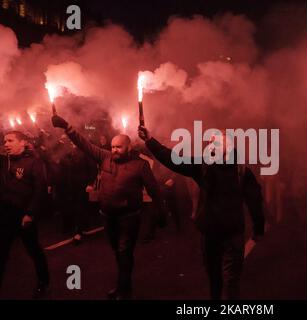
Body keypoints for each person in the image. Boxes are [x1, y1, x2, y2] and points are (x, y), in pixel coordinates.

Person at [138, 125, 265, 300]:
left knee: (229, 280)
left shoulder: (240, 171)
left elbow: (255, 201)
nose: (211, 146)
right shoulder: (205, 166)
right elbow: (174, 159)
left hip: (229, 234)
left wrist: (258, 228)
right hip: (213, 233)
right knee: (218, 278)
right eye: (211, 142)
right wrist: (150, 141)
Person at [52, 115, 165, 300]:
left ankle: (123, 289)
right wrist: (66, 126)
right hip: (107, 215)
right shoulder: (105, 157)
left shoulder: (140, 165)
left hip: (129, 217)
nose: (114, 150)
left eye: (118, 147)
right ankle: (123, 284)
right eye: (112, 147)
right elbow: (84, 144)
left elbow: (154, 190)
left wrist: (161, 212)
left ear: (128, 147)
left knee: (124, 251)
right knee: (118, 252)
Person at [0, 131, 50, 299]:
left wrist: (30, 214)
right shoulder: (4, 161)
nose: (6, 144)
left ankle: (43, 281)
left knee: (33, 249)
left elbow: (40, 190)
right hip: (6, 214)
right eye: (4, 141)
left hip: (23, 215)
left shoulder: (33, 162)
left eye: (10, 141)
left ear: (22, 143)